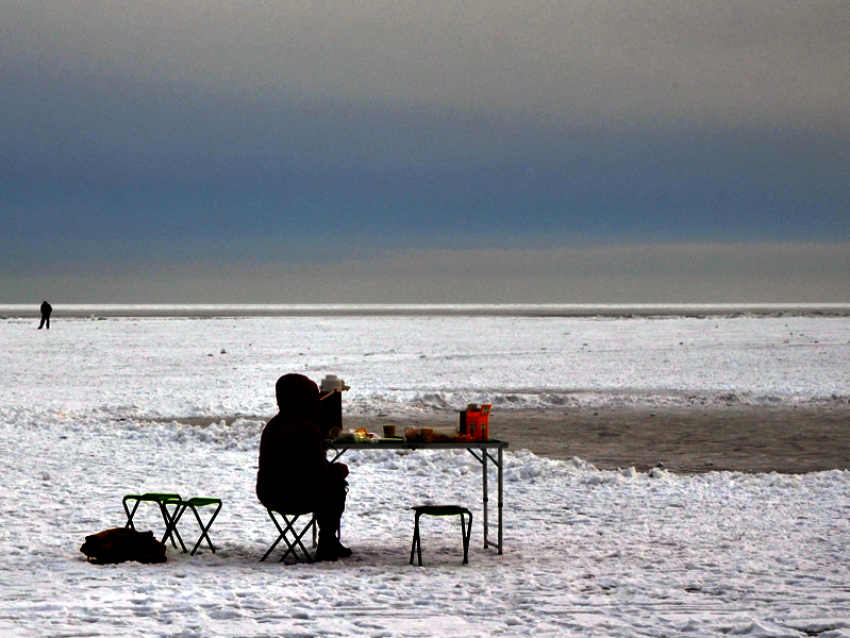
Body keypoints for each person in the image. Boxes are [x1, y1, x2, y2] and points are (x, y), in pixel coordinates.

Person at [256, 373, 352, 561]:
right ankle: (327, 541)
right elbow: (320, 473)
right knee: (337, 486)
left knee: (325, 486)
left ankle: (328, 540)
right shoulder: (306, 428)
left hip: (269, 494)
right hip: (294, 496)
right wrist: (342, 470)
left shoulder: (273, 425)